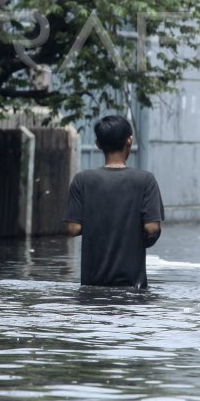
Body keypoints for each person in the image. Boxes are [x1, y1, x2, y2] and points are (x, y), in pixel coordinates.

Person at [64, 115, 164, 288]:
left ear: (98, 144)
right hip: (132, 285)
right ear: (129, 141)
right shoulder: (145, 180)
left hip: (92, 284)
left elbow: (73, 228)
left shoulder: (82, 180)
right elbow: (152, 227)